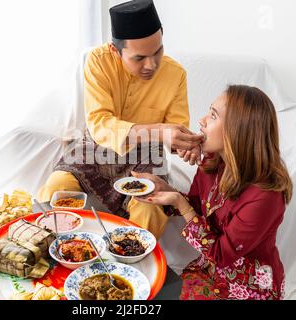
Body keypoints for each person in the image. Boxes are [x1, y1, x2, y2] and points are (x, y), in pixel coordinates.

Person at [37, 0, 202, 239]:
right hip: (95, 148)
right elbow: (100, 123)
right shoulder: (98, 61)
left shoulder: (176, 75)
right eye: (139, 58)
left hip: (146, 156)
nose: (152, 65)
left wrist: (185, 146)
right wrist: (160, 131)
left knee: (151, 212)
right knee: (55, 190)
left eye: (158, 52)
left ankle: (126, 269)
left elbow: (175, 130)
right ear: (116, 50)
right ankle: (63, 253)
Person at [134, 85, 292, 299]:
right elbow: (197, 208)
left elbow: (220, 255)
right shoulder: (213, 162)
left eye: (213, 115)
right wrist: (164, 189)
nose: (202, 120)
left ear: (238, 130)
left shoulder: (266, 197)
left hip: (249, 285)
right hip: (208, 269)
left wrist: (180, 203)